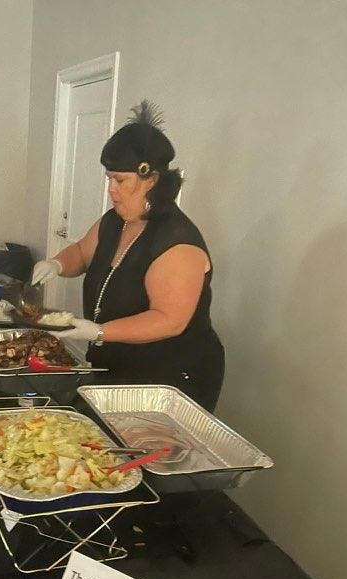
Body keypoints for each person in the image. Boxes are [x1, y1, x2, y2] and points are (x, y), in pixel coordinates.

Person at [32, 101, 224, 412]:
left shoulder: (177, 243)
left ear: (152, 180)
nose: (111, 189)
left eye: (120, 181)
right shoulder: (114, 221)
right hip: (116, 360)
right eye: (109, 178)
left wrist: (100, 331)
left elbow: (169, 320)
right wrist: (56, 264)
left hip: (170, 375)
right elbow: (82, 252)